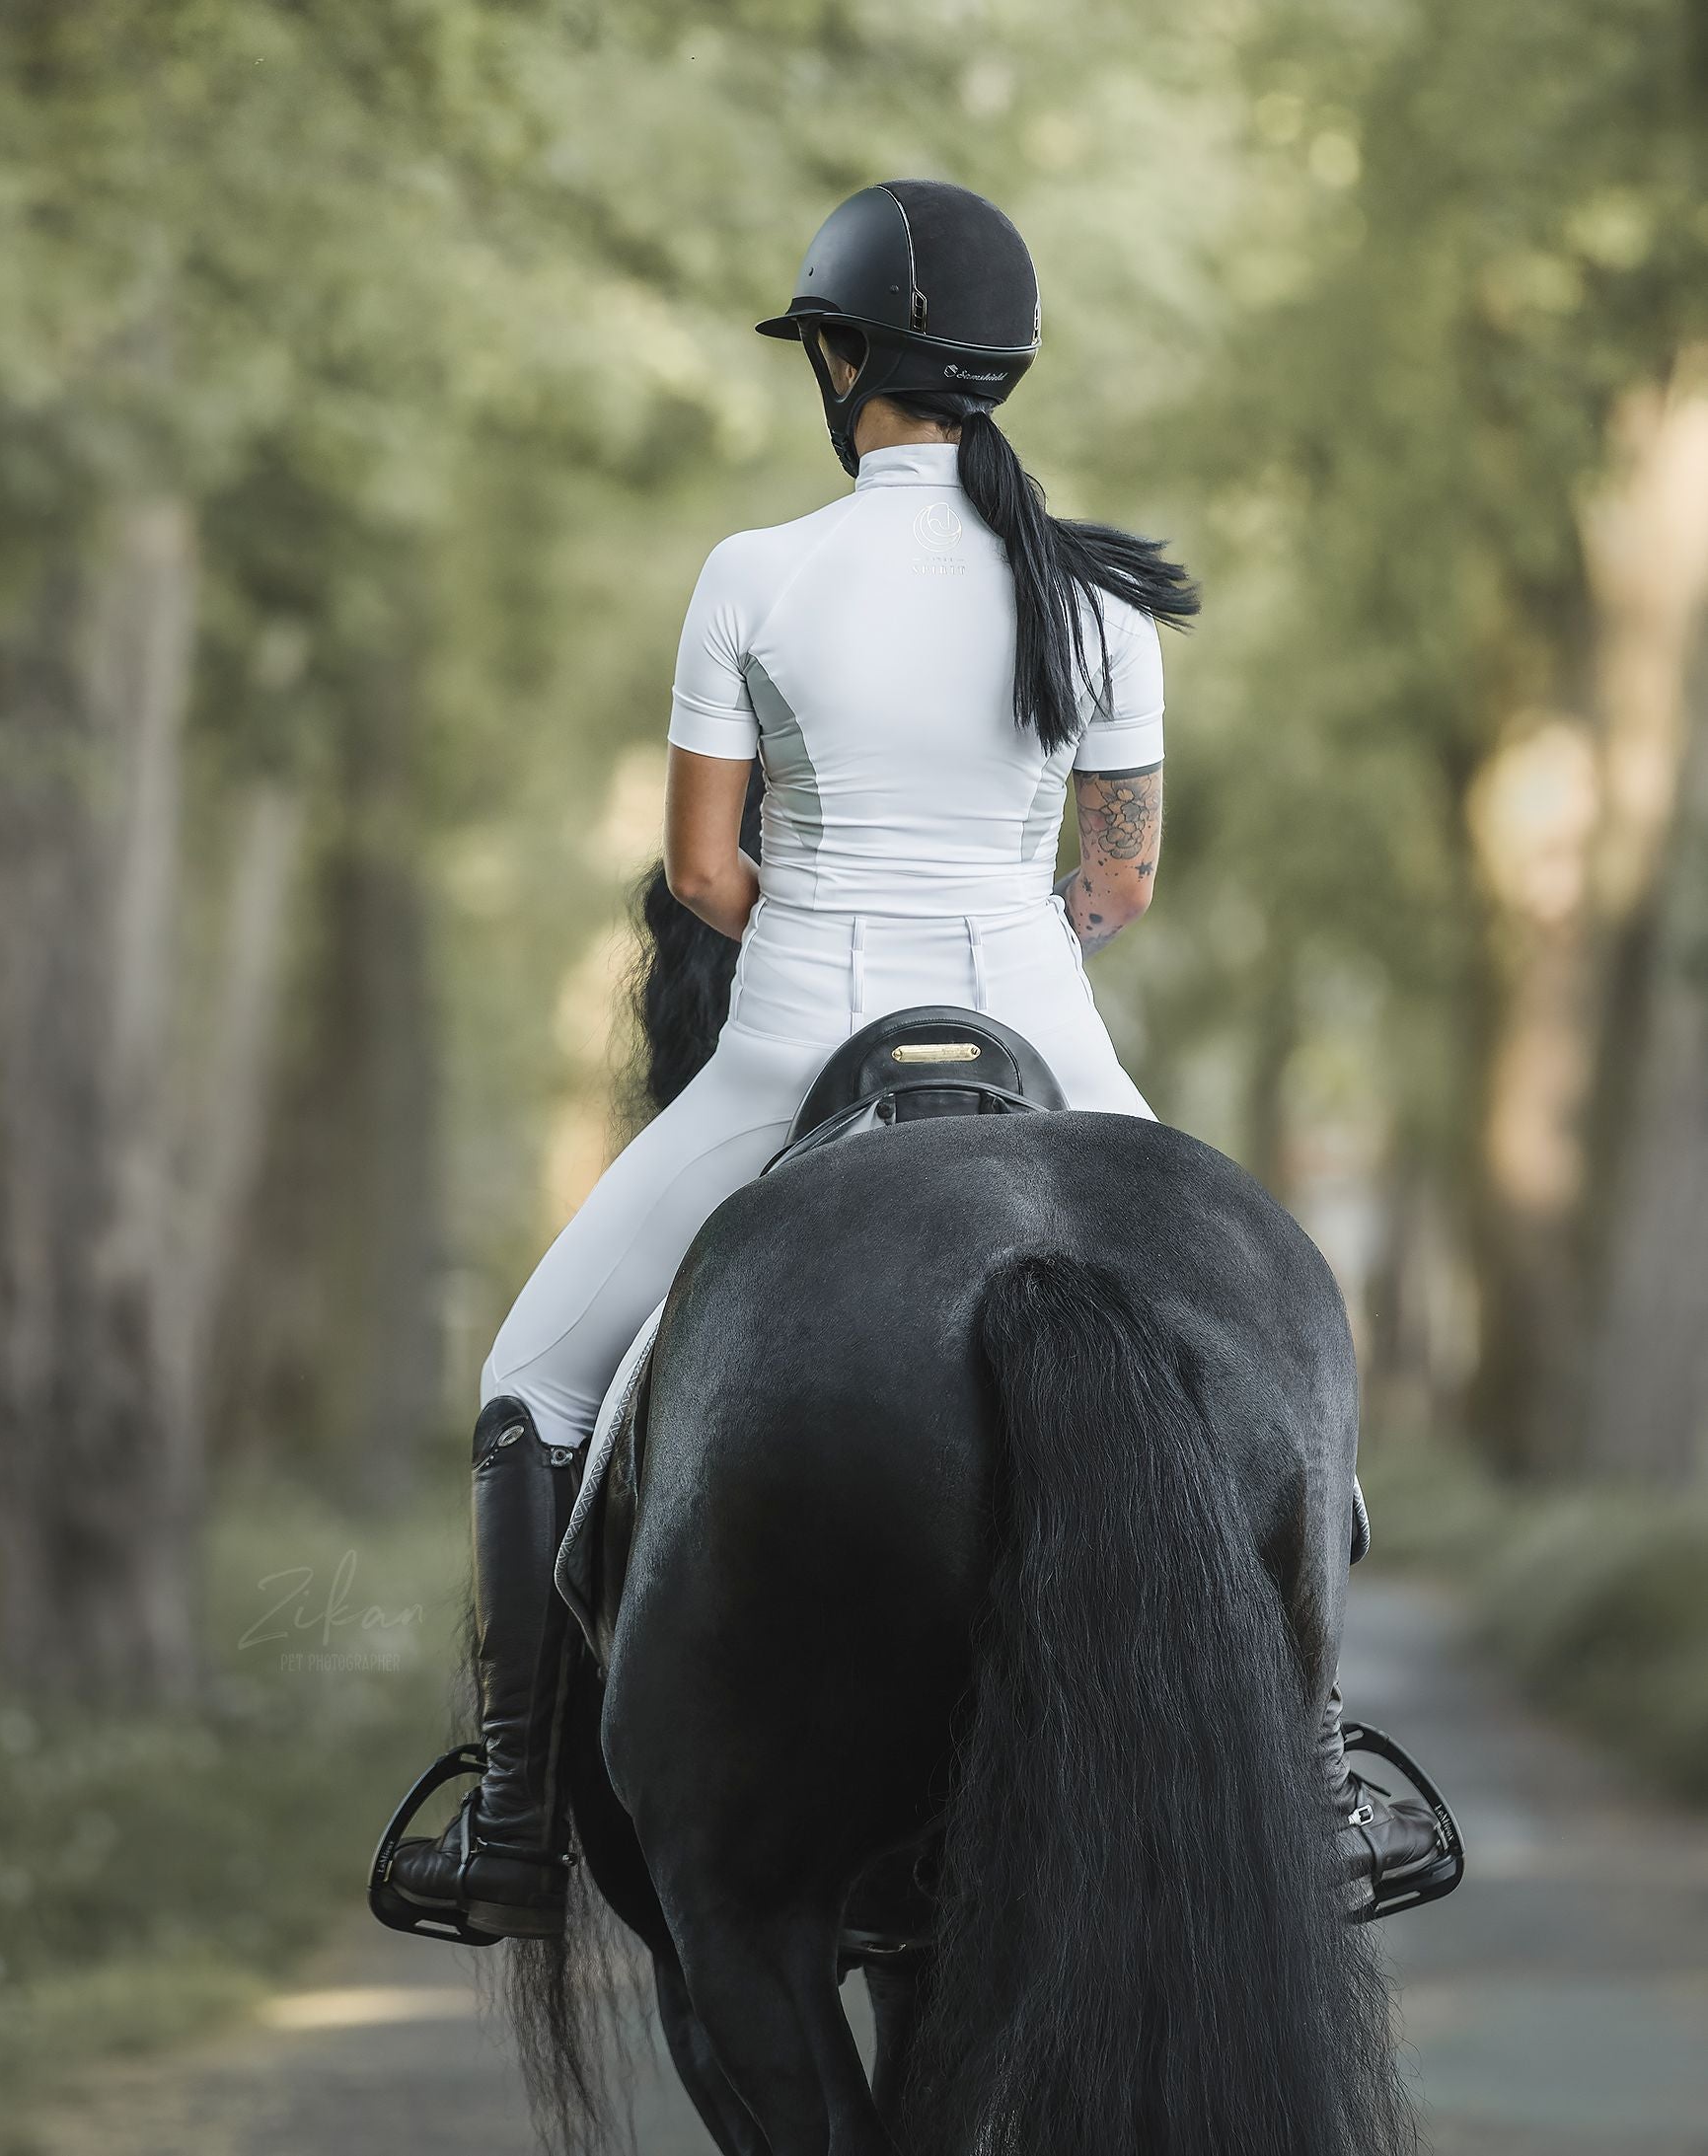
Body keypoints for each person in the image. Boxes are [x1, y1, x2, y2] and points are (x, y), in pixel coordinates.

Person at [387, 180, 1445, 1934]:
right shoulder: (1101, 599)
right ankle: (1322, 1769)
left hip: (789, 1047)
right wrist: (1012, 937)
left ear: (845, 359)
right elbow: (1120, 874)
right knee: (1285, 1381)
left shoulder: (754, 576)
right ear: (1000, 372)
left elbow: (706, 873)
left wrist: (834, 920)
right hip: (1051, 1028)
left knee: (532, 1389)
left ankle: (506, 1820)